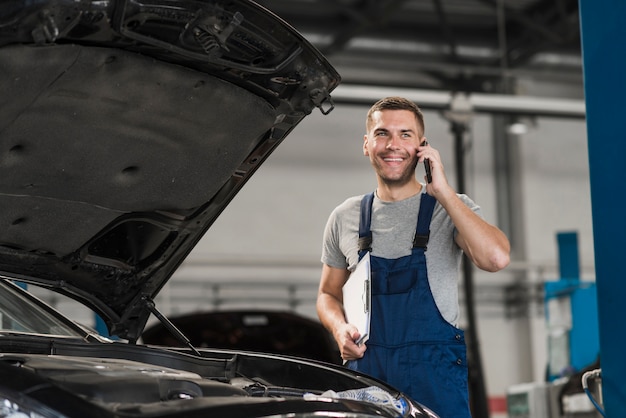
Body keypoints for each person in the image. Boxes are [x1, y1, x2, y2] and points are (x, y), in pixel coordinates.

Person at [316, 96, 510, 417]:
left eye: (405, 134)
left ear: (422, 146)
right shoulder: (345, 216)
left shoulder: (449, 209)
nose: (394, 145)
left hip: (434, 377)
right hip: (368, 375)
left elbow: (496, 258)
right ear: (366, 144)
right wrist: (339, 329)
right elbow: (326, 294)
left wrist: (444, 192)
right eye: (382, 134)